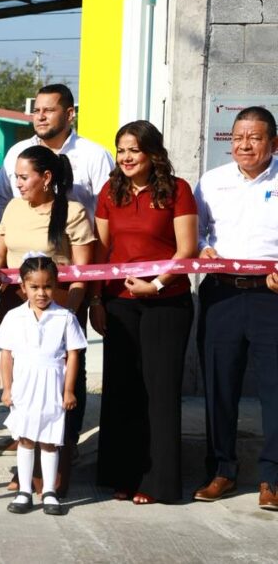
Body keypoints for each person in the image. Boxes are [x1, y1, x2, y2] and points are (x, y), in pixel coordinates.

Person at [91, 121, 197, 505]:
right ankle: (122, 474)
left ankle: (157, 482)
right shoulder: (110, 191)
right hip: (119, 302)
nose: (126, 157)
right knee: (122, 390)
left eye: (134, 150)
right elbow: (101, 253)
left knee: (159, 391)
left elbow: (186, 249)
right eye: (121, 150)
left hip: (166, 302)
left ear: (153, 153)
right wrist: (97, 300)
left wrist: (157, 284)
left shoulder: (177, 190)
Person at [0, 145, 94, 495]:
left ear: (46, 177)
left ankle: (54, 477)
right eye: (15, 176)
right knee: (22, 393)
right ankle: (22, 473)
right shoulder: (15, 208)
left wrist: (68, 316)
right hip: (15, 310)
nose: (16, 183)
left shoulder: (74, 212)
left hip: (57, 312)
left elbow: (82, 274)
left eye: (23, 176)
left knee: (58, 397)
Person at [193, 106, 278, 511]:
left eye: (255, 138)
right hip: (221, 295)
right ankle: (222, 470)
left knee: (275, 390)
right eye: (238, 137)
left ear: (273, 143)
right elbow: (197, 232)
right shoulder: (212, 181)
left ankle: (272, 477)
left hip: (271, 297)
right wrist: (203, 248)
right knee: (219, 384)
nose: (244, 145)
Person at [0, 254, 86, 517]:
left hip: (52, 388)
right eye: (34, 287)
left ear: (55, 285)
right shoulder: (14, 317)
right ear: (23, 287)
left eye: (47, 286)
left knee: (49, 441)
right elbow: (6, 354)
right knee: (25, 439)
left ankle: (49, 491)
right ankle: (24, 490)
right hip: (24, 387)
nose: (41, 293)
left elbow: (74, 354)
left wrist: (68, 390)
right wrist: (7, 388)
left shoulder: (65, 317)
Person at [0, 84, 113, 223]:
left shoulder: (95, 155)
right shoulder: (17, 152)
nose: (40, 117)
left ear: (69, 114)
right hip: (20, 243)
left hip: (78, 243)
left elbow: (107, 210)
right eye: (36, 111)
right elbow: (0, 199)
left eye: (48, 110)